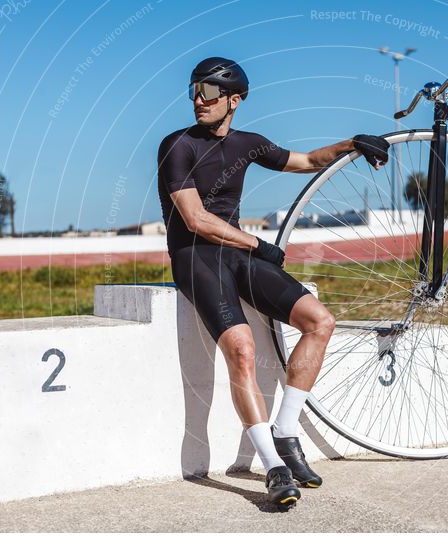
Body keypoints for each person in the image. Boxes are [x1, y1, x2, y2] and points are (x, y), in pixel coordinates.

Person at [157, 56, 390, 508]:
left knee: (320, 321)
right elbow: (195, 218)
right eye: (193, 90)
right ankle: (274, 468)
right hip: (194, 257)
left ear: (234, 100)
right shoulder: (177, 145)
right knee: (242, 349)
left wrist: (352, 145)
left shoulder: (248, 143)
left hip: (237, 254)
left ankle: (285, 432)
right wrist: (258, 244)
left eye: (207, 92)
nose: (197, 100)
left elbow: (303, 161)